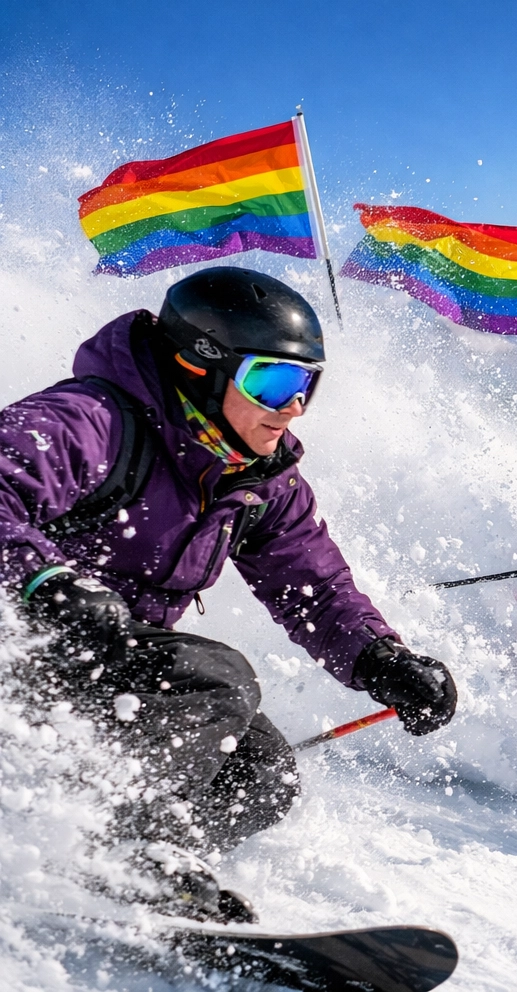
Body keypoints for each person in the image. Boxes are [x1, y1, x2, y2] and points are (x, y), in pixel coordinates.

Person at [0, 267, 456, 920]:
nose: (293, 407)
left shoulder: (254, 479)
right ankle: (134, 850)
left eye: (306, 386)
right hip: (25, 649)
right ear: (199, 366)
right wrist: (45, 585)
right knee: (217, 680)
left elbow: (314, 586)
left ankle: (134, 866)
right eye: (272, 382)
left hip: (105, 669)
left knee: (263, 772)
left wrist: (383, 660)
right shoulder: (90, 422)